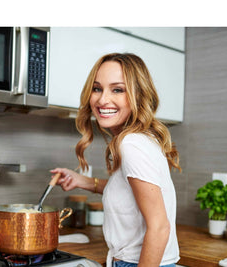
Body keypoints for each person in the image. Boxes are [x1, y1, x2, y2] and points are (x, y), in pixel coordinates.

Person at [51, 53, 181, 267]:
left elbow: (160, 227)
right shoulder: (140, 138)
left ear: (138, 95)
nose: (103, 99)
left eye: (117, 89)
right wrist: (83, 181)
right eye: (97, 88)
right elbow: (131, 192)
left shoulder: (131, 144)